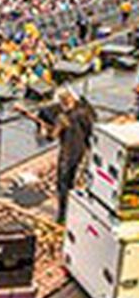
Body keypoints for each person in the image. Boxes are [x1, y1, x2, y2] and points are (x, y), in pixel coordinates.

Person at [15, 86, 96, 224]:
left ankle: (62, 216)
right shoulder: (84, 112)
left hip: (67, 154)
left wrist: (43, 129)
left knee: (63, 186)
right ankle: (72, 211)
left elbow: (51, 137)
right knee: (72, 183)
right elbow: (90, 129)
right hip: (81, 151)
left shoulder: (62, 118)